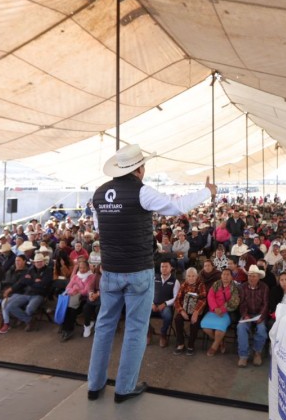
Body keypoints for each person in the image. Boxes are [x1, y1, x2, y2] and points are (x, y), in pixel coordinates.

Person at [87, 144, 216, 403]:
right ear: (139, 169)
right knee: (135, 328)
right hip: (137, 271)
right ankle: (124, 388)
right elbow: (175, 207)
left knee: (104, 326)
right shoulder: (142, 191)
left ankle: (94, 385)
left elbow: (100, 227)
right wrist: (207, 191)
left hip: (110, 270)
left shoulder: (99, 194)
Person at [0, 252, 53, 334]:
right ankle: (29, 320)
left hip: (39, 294)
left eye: (40, 261)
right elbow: (23, 281)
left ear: (43, 262)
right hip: (27, 293)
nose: (38, 263)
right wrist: (35, 281)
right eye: (36, 262)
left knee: (29, 308)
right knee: (9, 306)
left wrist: (30, 281)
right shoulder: (31, 269)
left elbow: (43, 284)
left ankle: (24, 319)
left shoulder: (48, 270)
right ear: (34, 262)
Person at [201, 268, 240, 356]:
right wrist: (215, 308)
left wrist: (222, 309)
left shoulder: (234, 287)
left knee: (219, 329)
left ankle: (214, 346)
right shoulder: (216, 284)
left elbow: (234, 302)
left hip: (226, 312)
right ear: (221, 276)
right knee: (205, 326)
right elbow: (210, 297)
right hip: (213, 310)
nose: (225, 276)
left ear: (231, 277)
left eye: (228, 274)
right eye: (224, 274)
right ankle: (220, 342)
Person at [58, 257, 98, 341]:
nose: (82, 269)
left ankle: (68, 329)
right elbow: (68, 287)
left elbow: (86, 291)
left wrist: (77, 288)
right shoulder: (76, 276)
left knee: (72, 309)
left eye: (84, 267)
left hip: (84, 299)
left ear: (88, 268)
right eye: (80, 267)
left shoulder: (92, 276)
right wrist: (74, 290)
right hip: (73, 297)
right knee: (68, 308)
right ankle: (66, 327)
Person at [236, 265, 269, 368]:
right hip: (247, 314)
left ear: (258, 277)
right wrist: (245, 315)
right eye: (250, 276)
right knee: (240, 327)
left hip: (260, 314)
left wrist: (261, 316)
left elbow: (266, 304)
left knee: (262, 330)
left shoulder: (264, 287)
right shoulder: (243, 287)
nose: (251, 278)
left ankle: (257, 353)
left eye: (254, 276)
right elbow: (242, 303)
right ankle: (243, 355)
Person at [172, 267, 208, 354]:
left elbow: (203, 300)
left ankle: (191, 345)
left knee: (194, 323)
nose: (191, 278)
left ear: (196, 276)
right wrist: (181, 311)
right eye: (189, 276)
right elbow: (177, 300)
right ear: (186, 277)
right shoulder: (184, 285)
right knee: (177, 319)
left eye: (193, 276)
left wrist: (196, 312)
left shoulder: (201, 285)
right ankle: (180, 343)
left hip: (196, 311)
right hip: (185, 310)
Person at [149, 259, 179, 347]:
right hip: (153, 305)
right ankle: (148, 331)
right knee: (142, 313)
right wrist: (151, 303)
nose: (164, 268)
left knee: (168, 315)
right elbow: (149, 293)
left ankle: (163, 334)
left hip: (166, 307)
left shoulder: (175, 281)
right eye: (162, 266)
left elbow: (175, 298)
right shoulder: (154, 278)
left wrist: (165, 304)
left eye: (166, 267)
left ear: (171, 268)